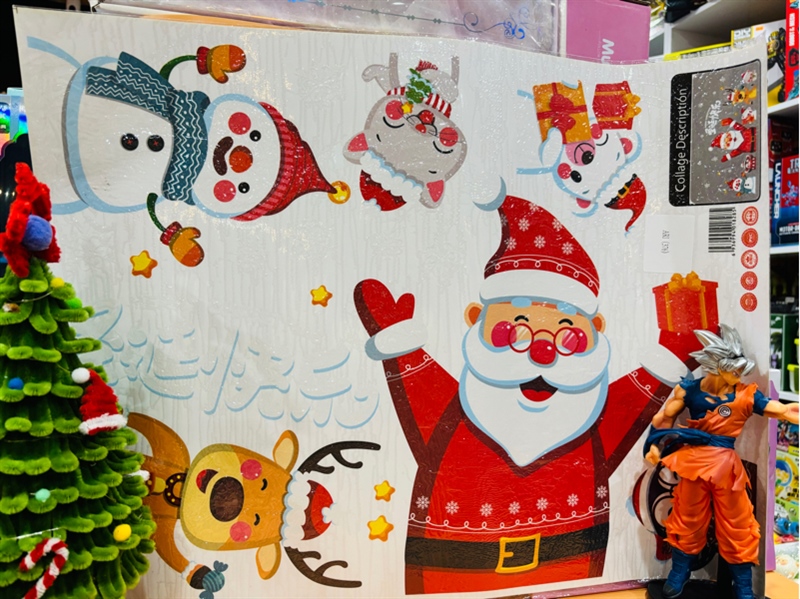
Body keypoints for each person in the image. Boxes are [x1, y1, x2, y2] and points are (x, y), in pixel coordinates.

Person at [354, 192, 710, 594]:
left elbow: (634, 402)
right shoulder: (455, 414)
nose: (543, 353)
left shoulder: (589, 418)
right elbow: (419, 386)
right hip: (450, 572)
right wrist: (398, 343)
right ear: (476, 319)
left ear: (597, 330)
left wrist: (674, 352)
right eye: (514, 330)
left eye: (569, 337)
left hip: (573, 573)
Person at [645, 324, 799, 599]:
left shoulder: (745, 395)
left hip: (726, 468)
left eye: (741, 370)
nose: (739, 374)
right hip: (694, 465)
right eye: (735, 369)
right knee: (686, 519)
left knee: (738, 524)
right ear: (717, 365)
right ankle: (679, 573)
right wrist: (655, 446)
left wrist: (791, 411)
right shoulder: (689, 390)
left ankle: (743, 586)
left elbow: (778, 409)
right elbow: (664, 419)